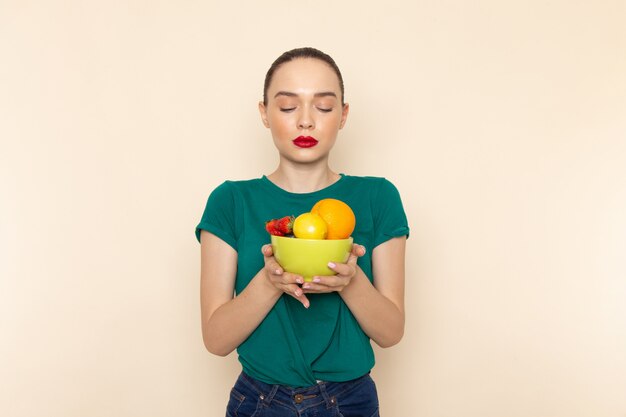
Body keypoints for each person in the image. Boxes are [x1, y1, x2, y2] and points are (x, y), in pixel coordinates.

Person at [195, 47, 409, 417]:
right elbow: (216, 339)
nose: (306, 121)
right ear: (264, 113)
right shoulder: (230, 201)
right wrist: (269, 281)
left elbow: (391, 333)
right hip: (258, 402)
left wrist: (351, 281)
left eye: (324, 107)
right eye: (288, 107)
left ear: (343, 115)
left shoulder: (379, 197)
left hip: (351, 401)